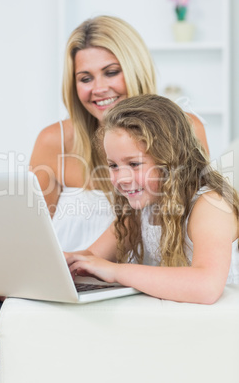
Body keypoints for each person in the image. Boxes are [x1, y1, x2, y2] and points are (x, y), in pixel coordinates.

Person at [0, 16, 209, 380]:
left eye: (111, 72)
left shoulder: (183, 129)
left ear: (135, 68)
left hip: (107, 293)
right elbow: (27, 230)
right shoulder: (56, 140)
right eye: (85, 78)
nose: (99, 88)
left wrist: (91, 265)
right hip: (55, 280)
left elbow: (169, 222)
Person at [67, 94, 239, 303]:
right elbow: (91, 258)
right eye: (113, 165)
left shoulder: (210, 206)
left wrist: (116, 271)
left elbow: (207, 286)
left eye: (134, 164)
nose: (121, 178)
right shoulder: (143, 207)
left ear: (172, 161)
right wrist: (61, 261)